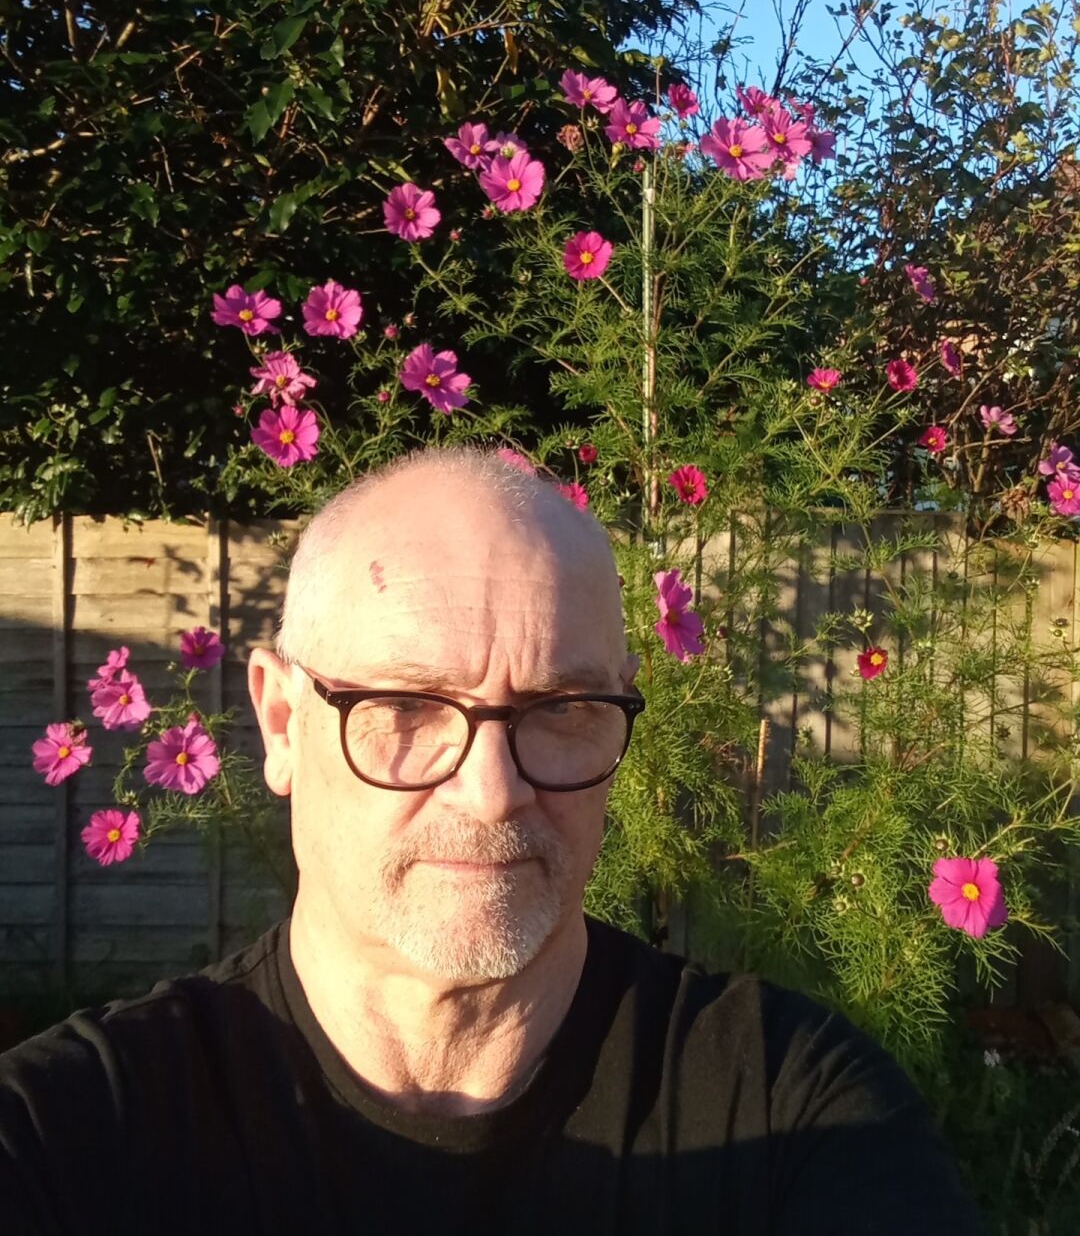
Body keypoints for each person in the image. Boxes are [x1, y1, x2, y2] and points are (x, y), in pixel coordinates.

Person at [0, 447, 986, 1234]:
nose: (493, 792)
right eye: (408, 706)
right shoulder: (68, 1139)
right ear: (284, 724)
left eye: (561, 708)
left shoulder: (797, 1113)